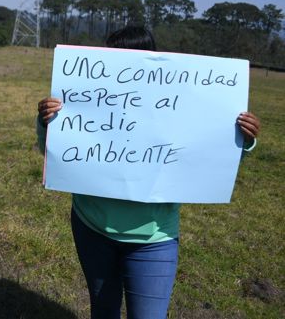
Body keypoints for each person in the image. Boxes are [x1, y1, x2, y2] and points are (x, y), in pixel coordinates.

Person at [36, 26, 261, 319]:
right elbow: (52, 151)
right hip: (91, 227)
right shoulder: (90, 93)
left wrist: (243, 139)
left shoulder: (174, 99)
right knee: (103, 311)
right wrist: (47, 121)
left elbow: (209, 157)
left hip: (154, 240)